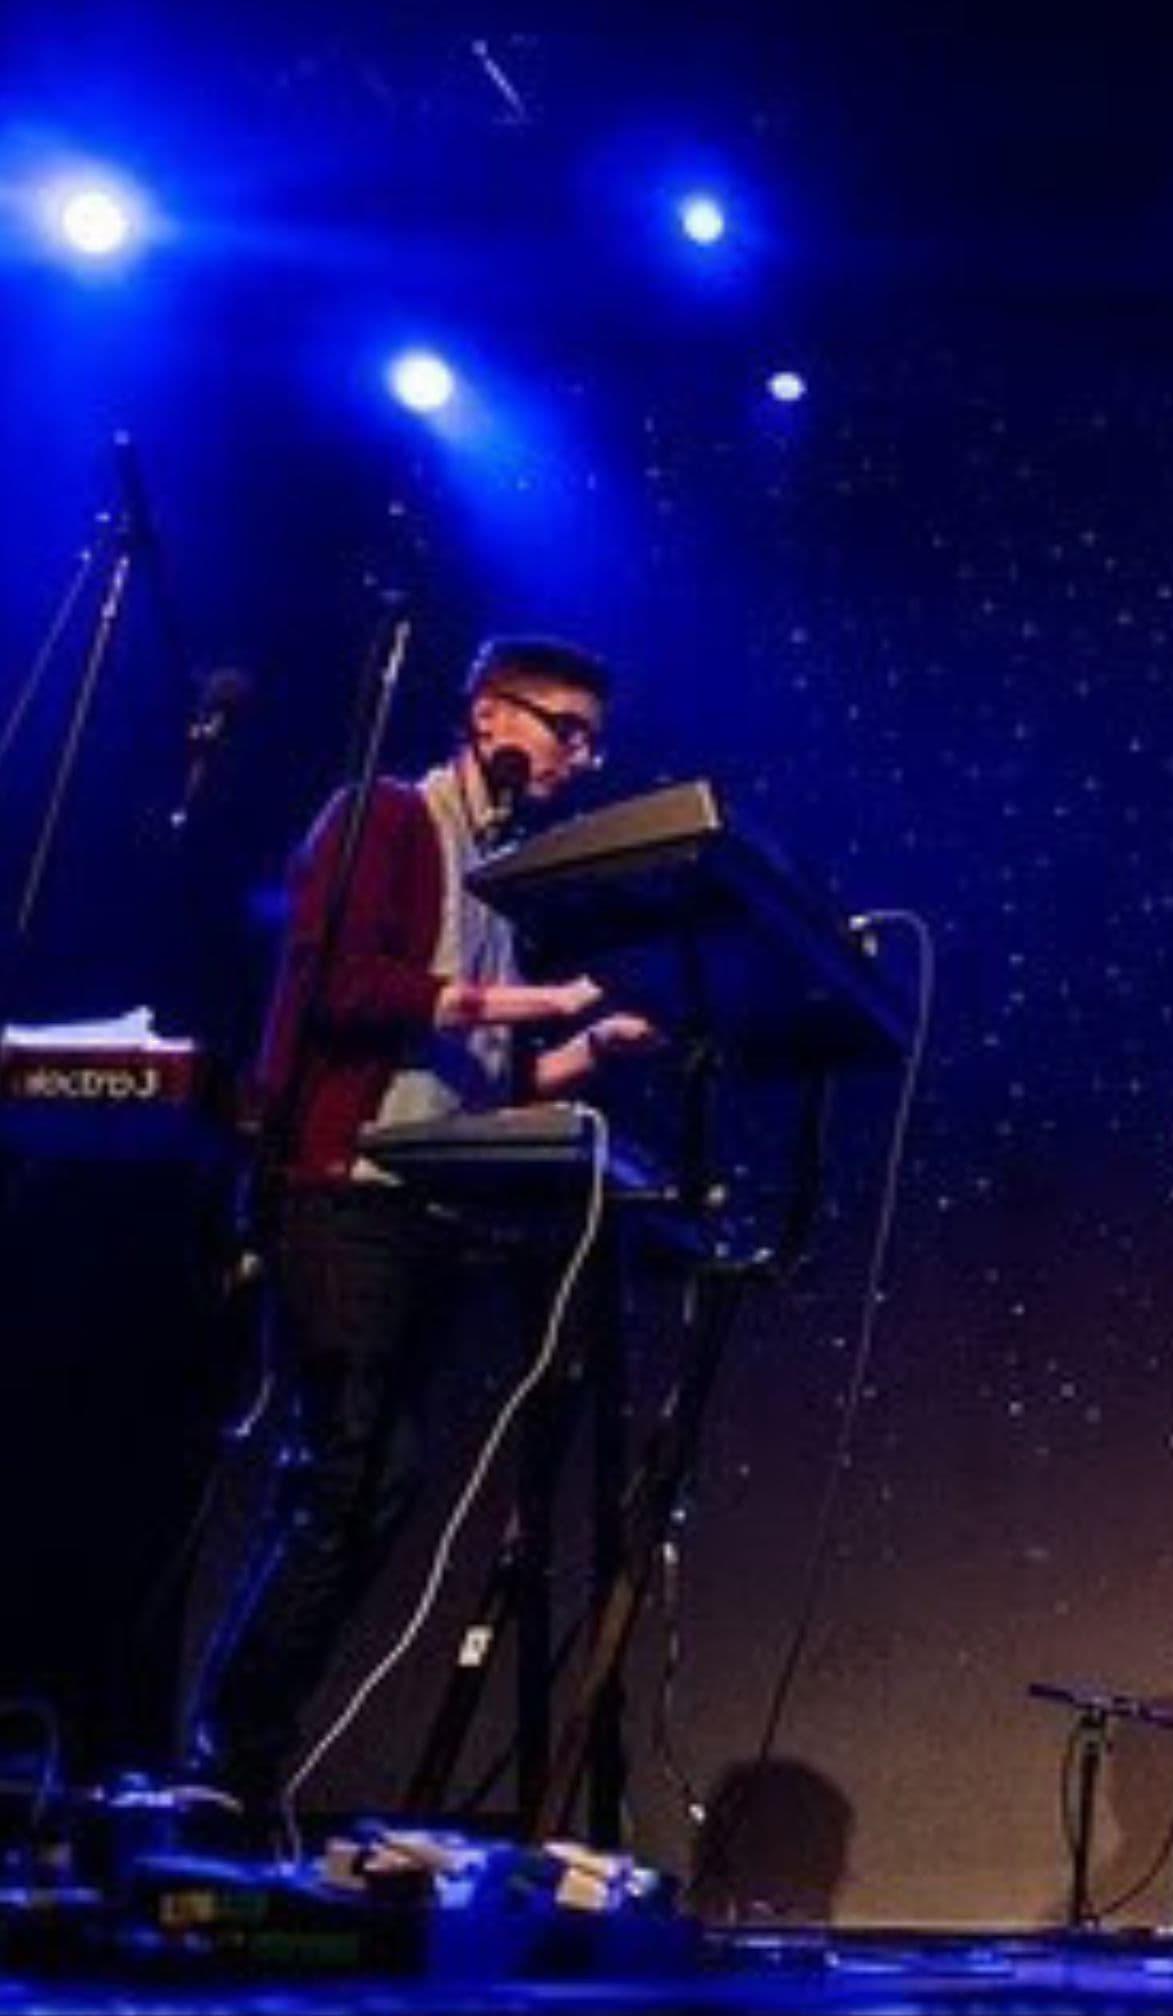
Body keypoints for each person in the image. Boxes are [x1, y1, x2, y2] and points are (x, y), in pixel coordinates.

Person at [190, 634, 656, 1805]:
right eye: (569, 732)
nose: (582, 760)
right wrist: (532, 997)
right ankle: (223, 1763)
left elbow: (483, 1081)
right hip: (342, 1186)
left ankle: (239, 1759)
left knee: (371, 1487)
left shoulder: (500, 876)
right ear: (493, 716)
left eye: (593, 739)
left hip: (423, 1202)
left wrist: (584, 1046)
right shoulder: (389, 818)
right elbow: (343, 983)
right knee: (347, 1476)